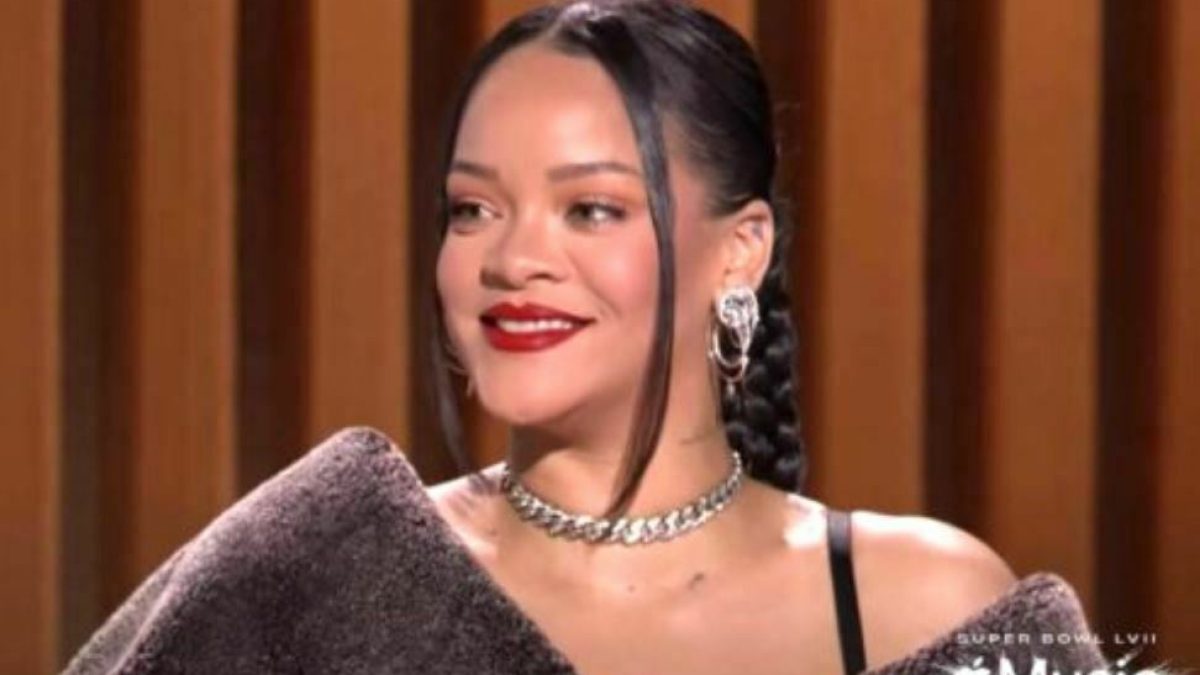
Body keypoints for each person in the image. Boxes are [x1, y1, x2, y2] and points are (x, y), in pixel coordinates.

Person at [65, 1, 1109, 673]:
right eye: (473, 209)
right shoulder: (318, 570)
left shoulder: (923, 604)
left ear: (740, 251)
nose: (513, 258)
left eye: (591, 209)